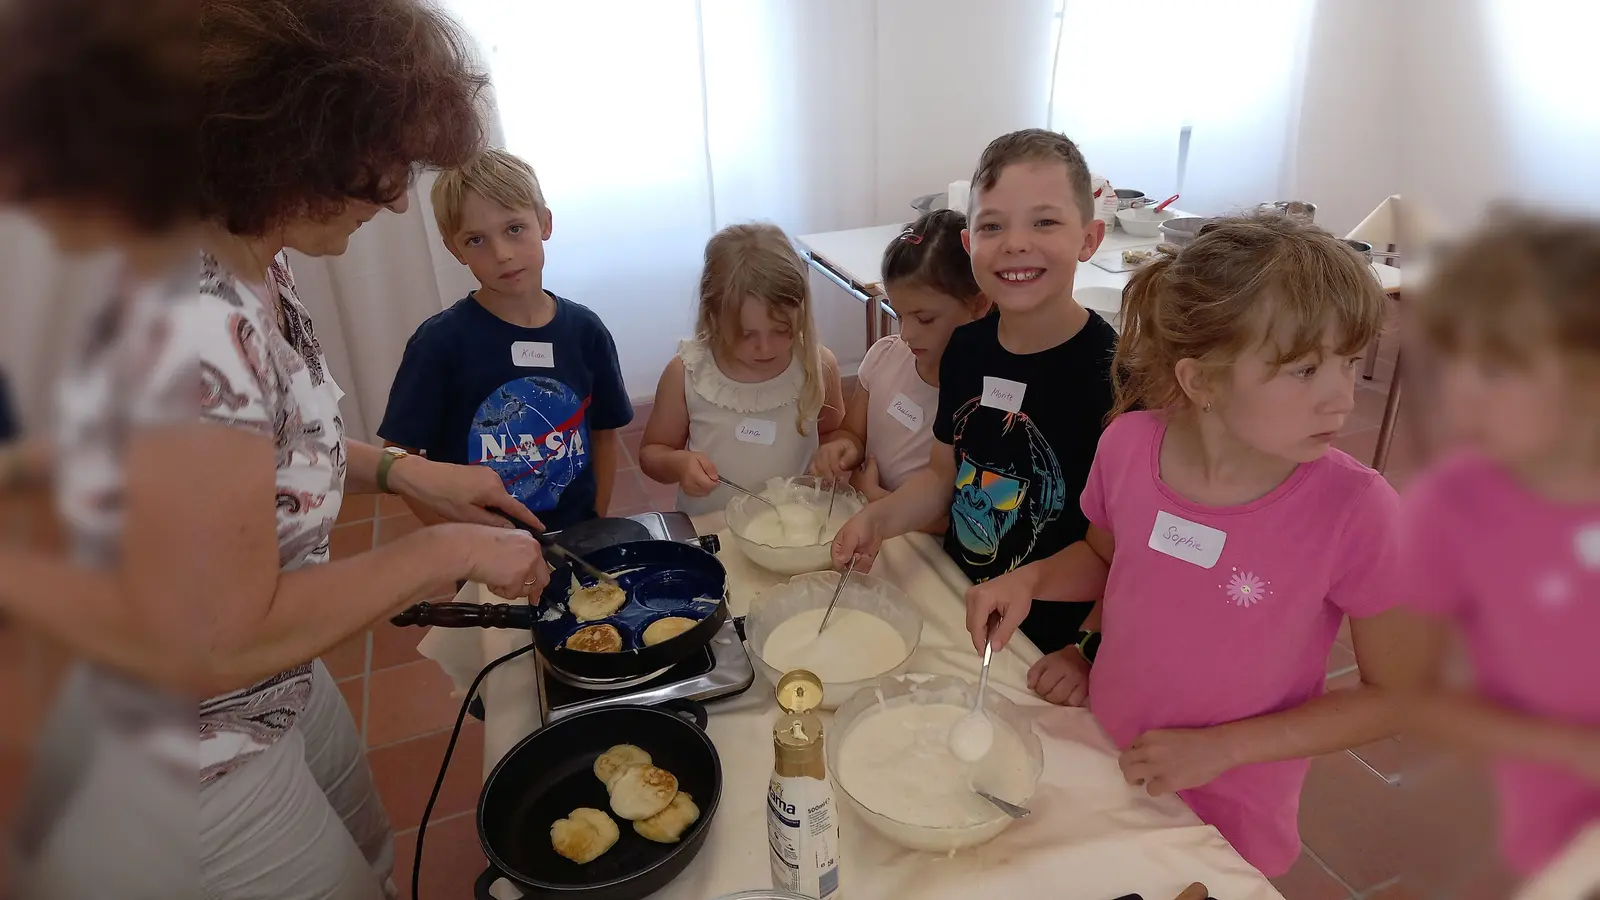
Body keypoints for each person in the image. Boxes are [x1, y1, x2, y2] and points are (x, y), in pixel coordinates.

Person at [0, 1, 553, 897]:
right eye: (386, 164)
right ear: (299, 135)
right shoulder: (189, 319)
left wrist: (408, 471)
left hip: (270, 683)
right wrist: (445, 548)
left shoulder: (252, 248)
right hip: (181, 754)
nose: (400, 198)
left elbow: (265, 447)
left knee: (366, 851)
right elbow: (221, 637)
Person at [970, 214, 1417, 877]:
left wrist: (1224, 750)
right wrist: (1028, 582)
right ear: (1201, 380)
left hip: (1231, 801)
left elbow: (1394, 695)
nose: (1342, 398)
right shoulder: (1128, 446)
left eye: (1350, 363)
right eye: (1304, 369)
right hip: (1110, 751)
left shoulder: (1357, 509)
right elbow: (1102, 558)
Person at [832, 129, 1117, 654]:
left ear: (1089, 238)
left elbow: (1112, 552)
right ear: (971, 246)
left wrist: (1082, 652)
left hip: (1045, 641)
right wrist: (879, 518)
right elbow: (944, 475)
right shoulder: (965, 348)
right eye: (992, 226)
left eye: (1045, 221)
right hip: (958, 597)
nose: (1015, 243)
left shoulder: (1115, 380)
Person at [1398, 212, 1600, 881]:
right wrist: (1571, 749)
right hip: (1560, 836)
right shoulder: (1451, 506)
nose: (1459, 392)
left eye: (1496, 367)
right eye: (1451, 359)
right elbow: (1411, 693)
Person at [379, 148, 632, 531]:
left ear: (545, 223)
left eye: (514, 229)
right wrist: (455, 538)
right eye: (477, 240)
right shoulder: (438, 344)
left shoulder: (586, 332)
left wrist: (595, 523)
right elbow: (401, 459)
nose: (502, 254)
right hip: (484, 550)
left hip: (576, 538)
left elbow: (604, 435)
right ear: (454, 248)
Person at [640, 222, 846, 515]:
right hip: (713, 529)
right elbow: (652, 453)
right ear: (713, 315)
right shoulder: (687, 373)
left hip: (795, 527)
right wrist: (679, 464)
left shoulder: (818, 366)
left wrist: (832, 454)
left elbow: (833, 432)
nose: (766, 348)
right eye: (747, 335)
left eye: (780, 330)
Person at [809, 209, 991, 535]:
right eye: (897, 313)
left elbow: (966, 519)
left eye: (924, 319)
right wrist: (844, 448)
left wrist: (879, 499)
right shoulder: (884, 358)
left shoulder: (979, 399)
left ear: (979, 305)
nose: (906, 334)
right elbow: (853, 432)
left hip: (923, 550)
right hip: (871, 530)